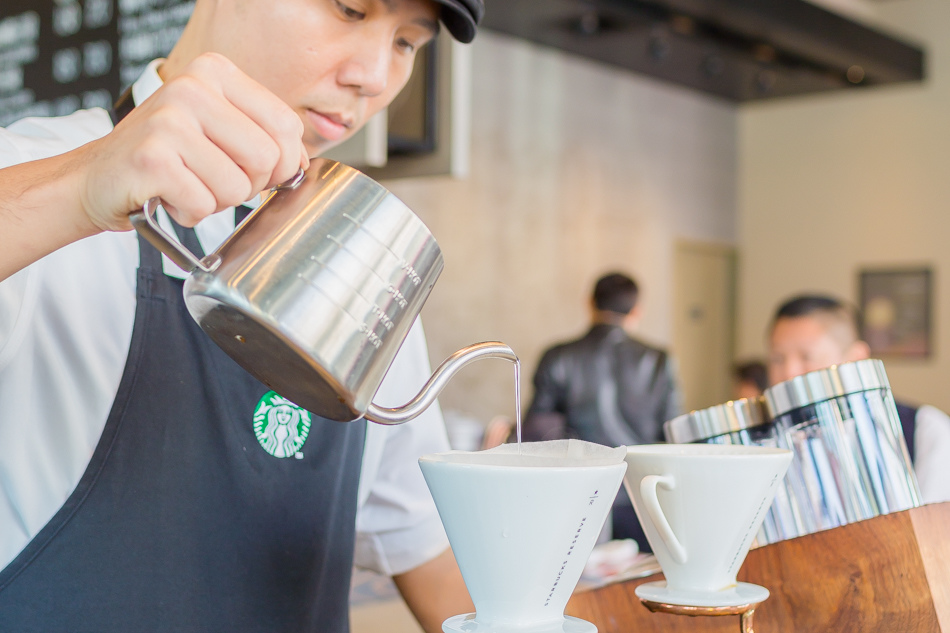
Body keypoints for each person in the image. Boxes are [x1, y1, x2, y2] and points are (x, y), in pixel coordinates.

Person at [0, 0, 483, 630]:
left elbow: (425, 551)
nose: (373, 75)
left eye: (406, 43)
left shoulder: (360, 271)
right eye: (350, 9)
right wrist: (79, 185)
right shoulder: (39, 171)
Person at [522, 272, 681, 550]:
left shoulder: (558, 356)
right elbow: (672, 434)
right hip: (643, 495)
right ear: (636, 311)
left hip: (579, 498)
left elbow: (537, 435)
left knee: (581, 587)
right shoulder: (658, 360)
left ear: (589, 304)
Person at [768, 294, 950, 504]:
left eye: (807, 357)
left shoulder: (923, 429)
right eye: (777, 358)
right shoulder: (767, 442)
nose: (789, 373)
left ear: (855, 357)